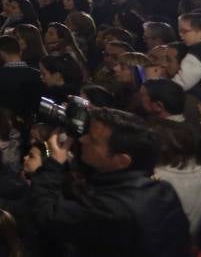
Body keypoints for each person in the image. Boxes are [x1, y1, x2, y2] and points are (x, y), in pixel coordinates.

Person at [31, 106, 190, 256]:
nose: (82, 140)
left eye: (93, 140)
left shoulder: (112, 209)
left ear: (121, 160)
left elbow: (47, 216)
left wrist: (54, 164)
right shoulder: (162, 189)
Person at [0, 36, 43, 125]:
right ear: (20, 51)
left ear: (1, 53)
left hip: (2, 127)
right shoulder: (37, 75)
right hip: (30, 127)